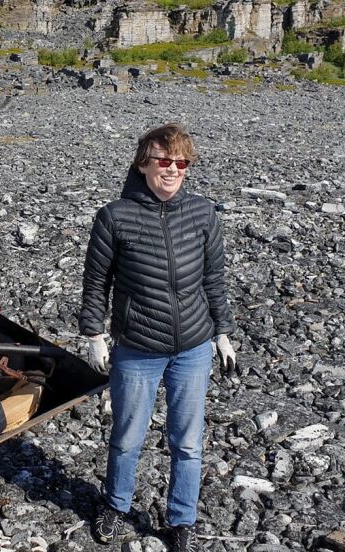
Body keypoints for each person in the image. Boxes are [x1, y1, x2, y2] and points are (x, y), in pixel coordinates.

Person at [78, 123, 238, 551]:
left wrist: (223, 332)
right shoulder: (114, 216)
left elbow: (214, 280)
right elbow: (96, 282)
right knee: (127, 436)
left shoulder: (204, 213)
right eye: (163, 161)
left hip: (193, 348)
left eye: (181, 162)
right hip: (136, 348)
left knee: (187, 442)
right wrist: (94, 333)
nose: (172, 170)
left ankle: (182, 519)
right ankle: (115, 505)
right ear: (142, 164)